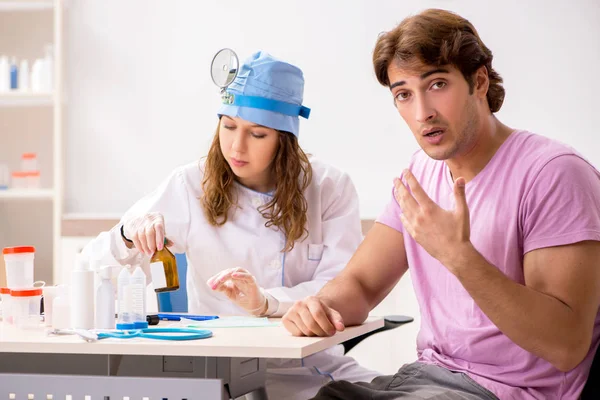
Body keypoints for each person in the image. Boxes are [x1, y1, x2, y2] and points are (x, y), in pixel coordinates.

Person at [282, 8, 600, 400]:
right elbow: (362, 284)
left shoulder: (554, 174)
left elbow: (566, 346)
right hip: (426, 379)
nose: (422, 113)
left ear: (478, 81)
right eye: (403, 94)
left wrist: (460, 257)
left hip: (509, 392)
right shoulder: (420, 176)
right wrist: (319, 306)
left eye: (436, 85)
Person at [81, 50, 379, 399]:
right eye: (228, 126)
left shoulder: (328, 187)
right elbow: (89, 271)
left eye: (258, 134)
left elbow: (340, 286)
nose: (236, 147)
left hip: (309, 368)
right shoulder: (191, 184)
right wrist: (127, 238)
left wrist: (266, 302)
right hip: (217, 371)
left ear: (285, 138)